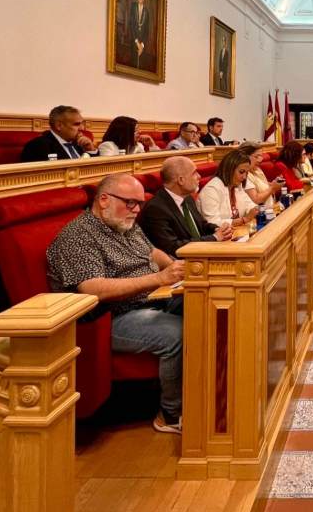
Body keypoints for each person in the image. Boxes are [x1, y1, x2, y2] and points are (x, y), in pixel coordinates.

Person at [47, 174, 185, 433]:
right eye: (130, 203)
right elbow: (93, 288)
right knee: (178, 333)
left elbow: (150, 252)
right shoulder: (77, 236)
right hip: (108, 319)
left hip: (149, 301)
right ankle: (170, 413)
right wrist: (158, 278)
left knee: (203, 311)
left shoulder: (124, 223)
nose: (136, 210)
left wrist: (176, 267)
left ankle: (207, 397)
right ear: (103, 200)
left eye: (139, 204)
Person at [138, 157, 233, 256]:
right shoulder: (155, 208)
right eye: (194, 173)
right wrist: (215, 237)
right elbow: (172, 247)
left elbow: (202, 225)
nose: (199, 176)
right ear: (181, 180)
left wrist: (217, 229)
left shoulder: (187, 198)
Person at [197, 149, 260, 227]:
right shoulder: (211, 190)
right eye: (241, 172)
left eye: (246, 173)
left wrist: (257, 209)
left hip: (236, 232)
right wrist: (244, 220)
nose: (244, 177)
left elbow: (249, 205)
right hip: (217, 237)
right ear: (229, 169)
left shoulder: (236, 185)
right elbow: (212, 223)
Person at [20, 105, 96, 161]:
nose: (82, 128)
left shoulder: (79, 143)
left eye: (81, 123)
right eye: (76, 124)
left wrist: (91, 150)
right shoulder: (38, 146)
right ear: (59, 126)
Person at [128, 0, 151, 69]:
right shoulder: (133, 6)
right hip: (134, 42)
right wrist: (137, 42)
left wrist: (142, 45)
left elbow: (147, 31)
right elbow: (131, 25)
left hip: (142, 46)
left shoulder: (147, 12)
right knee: (132, 66)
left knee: (140, 68)